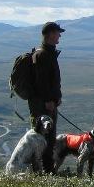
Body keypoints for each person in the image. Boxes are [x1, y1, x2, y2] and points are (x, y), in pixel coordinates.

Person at [29, 21, 63, 173]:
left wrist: (57, 98)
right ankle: (44, 171)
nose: (59, 36)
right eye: (57, 33)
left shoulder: (48, 53)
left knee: (49, 138)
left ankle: (46, 170)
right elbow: (41, 82)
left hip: (49, 103)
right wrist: (48, 100)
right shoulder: (42, 54)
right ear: (49, 34)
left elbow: (53, 81)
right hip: (43, 105)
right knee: (43, 139)